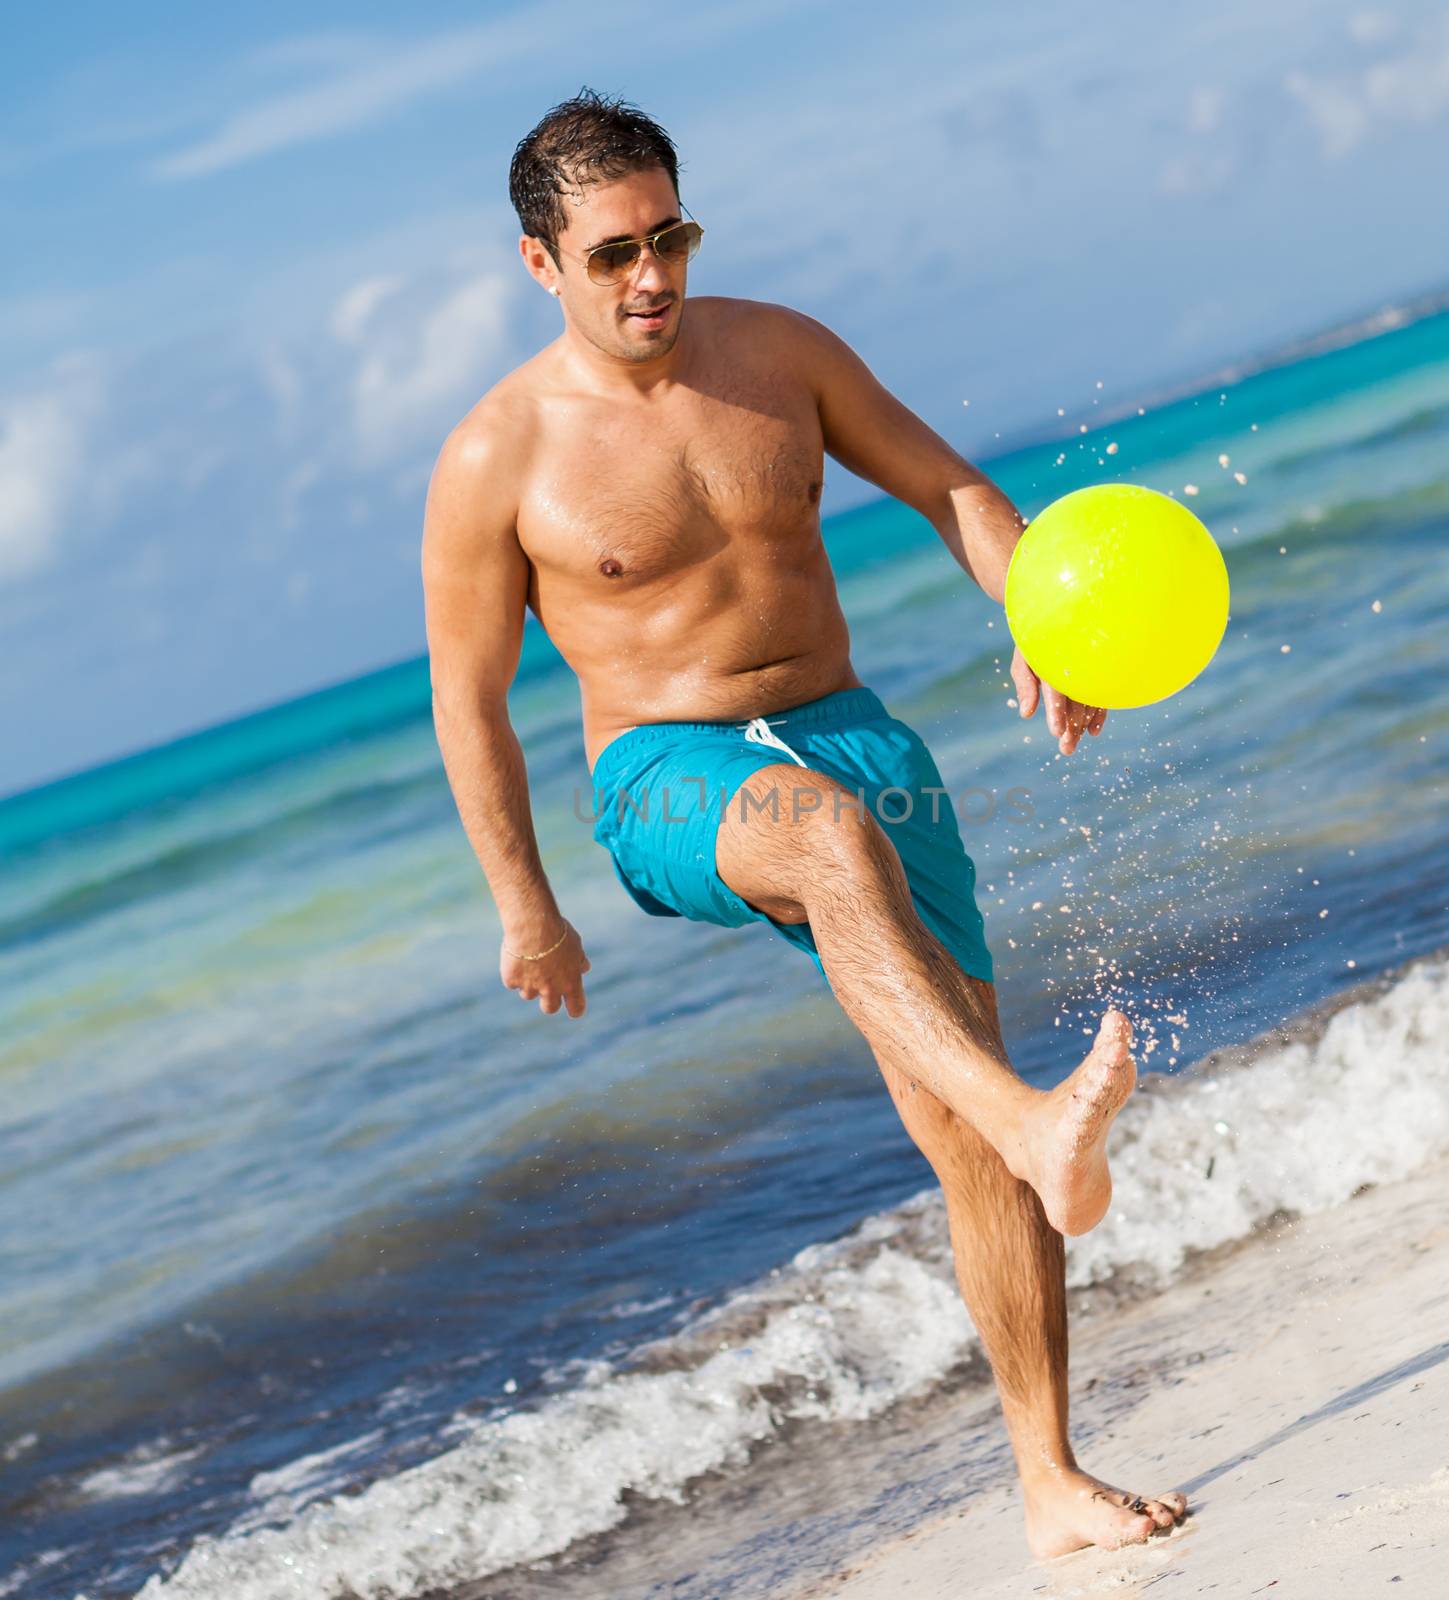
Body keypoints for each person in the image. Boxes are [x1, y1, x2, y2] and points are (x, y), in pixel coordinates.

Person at [420, 88, 1187, 1560]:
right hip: (665, 776)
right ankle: (1037, 1123)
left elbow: (950, 485)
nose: (652, 277)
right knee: (834, 846)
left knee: (964, 1141)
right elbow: (470, 703)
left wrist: (1044, 617)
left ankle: (1051, 1483)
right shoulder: (496, 459)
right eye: (613, 255)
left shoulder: (780, 356)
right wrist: (525, 903)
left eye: (671, 236)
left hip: (850, 730)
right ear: (541, 265)